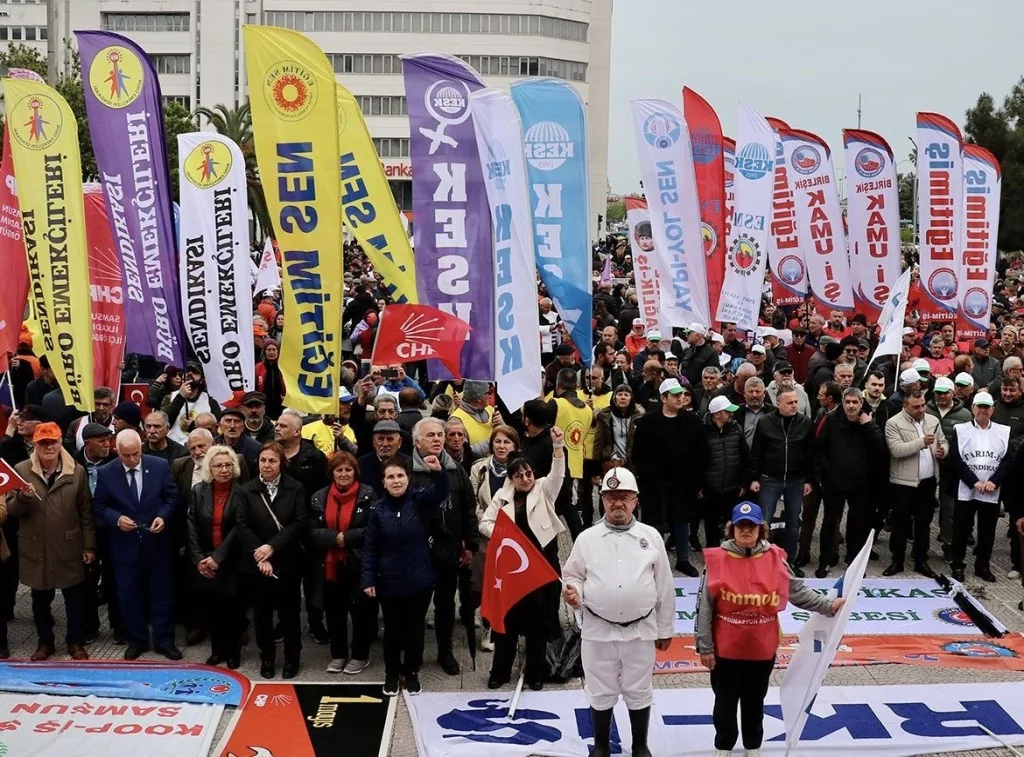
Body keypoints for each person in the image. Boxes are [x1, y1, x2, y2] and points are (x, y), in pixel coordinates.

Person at [696, 502, 843, 757]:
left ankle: (753, 745)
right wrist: (705, 647)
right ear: (731, 529)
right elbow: (704, 608)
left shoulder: (775, 558)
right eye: (740, 526)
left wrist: (827, 606)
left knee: (754, 702)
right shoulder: (717, 560)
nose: (745, 531)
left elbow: (797, 591)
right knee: (724, 704)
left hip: (760, 650)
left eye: (751, 526)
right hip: (725, 650)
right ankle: (724, 746)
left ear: (760, 529)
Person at [562, 466, 675, 757]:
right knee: (600, 689)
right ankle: (601, 746)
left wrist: (665, 630)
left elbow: (664, 586)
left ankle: (640, 746)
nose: (618, 503)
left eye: (624, 497)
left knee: (639, 688)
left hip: (641, 630)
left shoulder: (651, 537)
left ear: (635, 500)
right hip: (598, 631)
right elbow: (573, 575)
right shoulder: (587, 538)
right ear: (602, 500)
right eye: (611, 497)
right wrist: (575, 592)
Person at [479, 427, 566, 690]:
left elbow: (558, 473)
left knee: (537, 623)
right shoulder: (502, 497)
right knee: (507, 622)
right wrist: (506, 536)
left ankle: (535, 673)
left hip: (540, 565)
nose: (525, 478)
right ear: (511, 479)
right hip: (511, 569)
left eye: (528, 473)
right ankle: (500, 672)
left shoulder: (544, 490)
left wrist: (559, 447)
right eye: (519, 475)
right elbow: (485, 523)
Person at [4, 422, 95, 661]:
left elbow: (85, 511)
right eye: (43, 442)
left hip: (69, 545)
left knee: (74, 599)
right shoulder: (21, 470)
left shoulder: (76, 471)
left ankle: (75, 642)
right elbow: (11, 511)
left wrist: (88, 546)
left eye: (52, 441)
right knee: (40, 600)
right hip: (35, 546)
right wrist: (22, 499)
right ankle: (45, 643)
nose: (48, 447)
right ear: (35, 444)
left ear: (59, 443)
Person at [361, 454, 449, 696]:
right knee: (392, 631)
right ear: (383, 482)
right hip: (389, 582)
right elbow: (370, 547)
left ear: (408, 478)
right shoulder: (377, 511)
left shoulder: (419, 501)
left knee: (415, 630)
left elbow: (441, 490)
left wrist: (437, 472)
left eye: (400, 475)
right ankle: (392, 672)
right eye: (391, 477)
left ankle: (411, 671)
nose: (396, 480)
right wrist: (367, 578)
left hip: (419, 580)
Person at [92, 429, 181, 661]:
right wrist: (116, 519)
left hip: (157, 543)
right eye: (126, 455)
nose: (132, 460)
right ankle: (137, 641)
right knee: (129, 596)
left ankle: (164, 641)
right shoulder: (106, 472)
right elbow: (99, 506)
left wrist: (163, 516)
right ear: (117, 451)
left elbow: (172, 498)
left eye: (136, 454)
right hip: (125, 546)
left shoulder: (159, 466)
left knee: (162, 594)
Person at [410, 417, 478, 676]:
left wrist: (470, 543)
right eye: (431, 435)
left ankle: (445, 651)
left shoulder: (455, 469)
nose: (437, 439)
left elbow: (468, 507)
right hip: (416, 553)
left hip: (449, 550)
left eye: (440, 434)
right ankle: (414, 655)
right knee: (416, 607)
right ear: (417, 441)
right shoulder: (408, 468)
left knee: (446, 605)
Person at [236, 442, 308, 679]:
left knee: (289, 614)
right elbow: (242, 525)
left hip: (287, 560)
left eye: (272, 461)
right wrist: (260, 553)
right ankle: (267, 658)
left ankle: (292, 659)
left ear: (281, 463)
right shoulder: (247, 489)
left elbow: (298, 523)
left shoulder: (295, 488)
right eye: (263, 460)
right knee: (262, 614)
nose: (266, 465)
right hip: (258, 563)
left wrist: (271, 547)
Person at [310, 452, 378, 675]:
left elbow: (373, 528)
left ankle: (360, 655)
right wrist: (333, 538)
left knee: (362, 612)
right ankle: (338, 654)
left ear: (355, 472)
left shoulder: (368, 494)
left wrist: (345, 538)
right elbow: (311, 530)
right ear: (332, 473)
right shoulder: (319, 497)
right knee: (334, 611)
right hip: (330, 565)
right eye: (339, 470)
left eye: (348, 470)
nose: (344, 474)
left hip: (359, 562)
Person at [631, 378, 705, 575]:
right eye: (675, 395)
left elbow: (702, 452)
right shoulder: (647, 423)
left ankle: (682, 559)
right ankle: (653, 559)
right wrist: (645, 478)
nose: (681, 398)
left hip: (683, 483)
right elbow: (638, 454)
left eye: (682, 394)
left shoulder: (693, 422)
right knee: (655, 522)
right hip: (655, 484)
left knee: (682, 521)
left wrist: (697, 480)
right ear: (663, 398)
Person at [814, 388, 885, 577]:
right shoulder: (830, 420)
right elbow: (820, 450)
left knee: (857, 525)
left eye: (855, 402)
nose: (851, 406)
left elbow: (880, 450)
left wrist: (869, 426)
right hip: (834, 482)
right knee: (830, 522)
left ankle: (854, 563)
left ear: (861, 403)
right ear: (843, 402)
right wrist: (829, 473)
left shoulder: (867, 422)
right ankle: (825, 561)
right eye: (848, 402)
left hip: (860, 483)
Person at [186, 445, 244, 668]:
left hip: (231, 560)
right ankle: (217, 651)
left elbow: (238, 528)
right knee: (212, 608)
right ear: (210, 468)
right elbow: (191, 525)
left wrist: (218, 557)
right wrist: (199, 558)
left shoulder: (242, 492)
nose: (224, 470)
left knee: (232, 610)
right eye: (218, 465)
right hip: (205, 560)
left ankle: (233, 653)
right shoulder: (198, 491)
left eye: (228, 465)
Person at [949, 392, 1014, 582]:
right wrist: (974, 482)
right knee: (960, 529)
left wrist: (994, 481)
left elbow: (1007, 460)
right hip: (966, 489)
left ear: (992, 410)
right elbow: (956, 459)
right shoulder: (960, 430)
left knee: (987, 531)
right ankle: (958, 565)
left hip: (992, 490)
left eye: (987, 407)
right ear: (973, 408)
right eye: (980, 406)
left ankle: (982, 565)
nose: (983, 410)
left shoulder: (1003, 431)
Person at [748, 389, 813, 575]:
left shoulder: (805, 423)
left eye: (796, 402)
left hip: (796, 480)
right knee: (764, 522)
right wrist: (754, 477)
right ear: (778, 404)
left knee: (793, 523)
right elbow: (757, 453)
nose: (795, 405)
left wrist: (809, 480)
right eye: (790, 402)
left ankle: (789, 560)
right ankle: (761, 560)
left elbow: (810, 454)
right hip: (770, 479)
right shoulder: (765, 422)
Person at [468, 425, 521, 653]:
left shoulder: (522, 471)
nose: (501, 446)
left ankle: (498, 627)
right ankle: (482, 618)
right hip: (484, 536)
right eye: (497, 442)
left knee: (504, 584)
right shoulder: (479, 469)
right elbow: (471, 501)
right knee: (483, 583)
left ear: (515, 446)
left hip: (511, 538)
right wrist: (486, 521)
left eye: (507, 442)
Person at [884, 391, 947, 578]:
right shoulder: (893, 423)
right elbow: (896, 450)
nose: (921, 409)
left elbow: (942, 440)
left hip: (927, 482)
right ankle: (897, 560)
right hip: (903, 483)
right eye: (916, 406)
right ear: (905, 406)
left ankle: (921, 560)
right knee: (900, 524)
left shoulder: (933, 420)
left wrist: (944, 450)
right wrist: (922, 442)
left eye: (923, 405)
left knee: (923, 523)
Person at [926, 378, 973, 563]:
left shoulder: (965, 415)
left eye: (946, 392)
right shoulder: (926, 409)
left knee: (949, 509)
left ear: (953, 393)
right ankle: (920, 545)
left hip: (952, 468)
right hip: (927, 466)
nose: (942, 396)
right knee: (923, 508)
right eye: (938, 392)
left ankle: (948, 544)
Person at [701, 396, 748, 548]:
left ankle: (731, 551)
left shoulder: (736, 428)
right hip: (710, 487)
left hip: (732, 486)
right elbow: (696, 460)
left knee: (731, 522)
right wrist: (699, 486)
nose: (731, 414)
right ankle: (712, 553)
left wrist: (742, 483)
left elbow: (745, 457)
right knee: (711, 523)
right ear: (717, 414)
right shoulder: (702, 432)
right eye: (727, 412)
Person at [255, 341, 286, 421]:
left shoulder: (283, 367)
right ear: (264, 352)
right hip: (264, 405)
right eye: (268, 350)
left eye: (274, 349)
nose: (271, 352)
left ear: (278, 351)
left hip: (281, 405)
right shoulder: (258, 367)